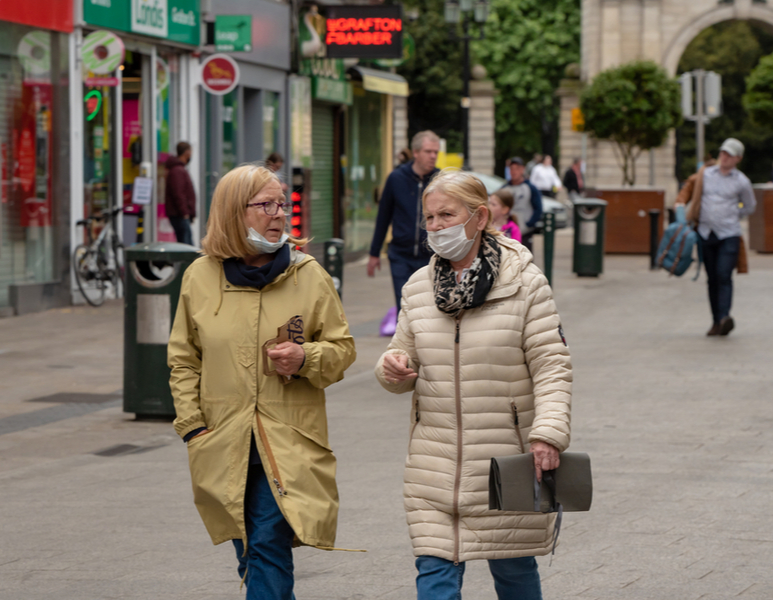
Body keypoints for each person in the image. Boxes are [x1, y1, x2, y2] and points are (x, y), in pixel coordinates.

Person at [375, 169, 573, 600]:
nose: (436, 227)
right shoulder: (417, 288)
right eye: (429, 218)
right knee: (434, 575)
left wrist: (548, 434)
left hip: (505, 463)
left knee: (515, 571)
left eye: (447, 215)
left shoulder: (525, 283)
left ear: (480, 217)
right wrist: (391, 369)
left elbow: (552, 364)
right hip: (435, 467)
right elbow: (400, 356)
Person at [168, 164, 356, 599]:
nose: (278, 215)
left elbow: (343, 350)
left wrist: (305, 357)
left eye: (282, 205)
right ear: (234, 212)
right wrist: (193, 426)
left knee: (268, 543)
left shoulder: (308, 275)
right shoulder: (199, 276)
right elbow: (183, 359)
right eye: (265, 205)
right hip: (222, 437)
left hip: (288, 438)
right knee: (249, 549)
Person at [677, 138, 756, 337]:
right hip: (705, 233)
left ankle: (724, 317)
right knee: (712, 278)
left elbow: (750, 206)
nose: (724, 157)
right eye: (723, 153)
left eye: (729, 155)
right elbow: (689, 189)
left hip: (728, 234)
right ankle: (716, 321)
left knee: (723, 275)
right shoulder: (706, 174)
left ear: (738, 158)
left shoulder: (742, 181)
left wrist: (733, 214)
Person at [368, 130, 440, 312]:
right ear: (415, 152)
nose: (433, 156)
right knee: (405, 305)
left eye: (435, 152)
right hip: (401, 255)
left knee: (429, 307)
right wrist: (374, 253)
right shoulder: (396, 178)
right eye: (428, 151)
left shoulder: (441, 181)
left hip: (431, 255)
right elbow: (383, 216)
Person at [505, 156, 543, 252]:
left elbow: (538, 208)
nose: (514, 172)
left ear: (523, 169)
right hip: (508, 233)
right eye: (511, 169)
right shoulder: (504, 189)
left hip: (525, 232)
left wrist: (529, 224)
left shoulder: (530, 188)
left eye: (517, 168)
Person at [165, 141, 196, 245]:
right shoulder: (177, 170)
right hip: (180, 215)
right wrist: (185, 213)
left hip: (180, 214)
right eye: (191, 152)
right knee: (186, 246)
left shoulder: (178, 169)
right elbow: (178, 194)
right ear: (187, 153)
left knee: (186, 243)